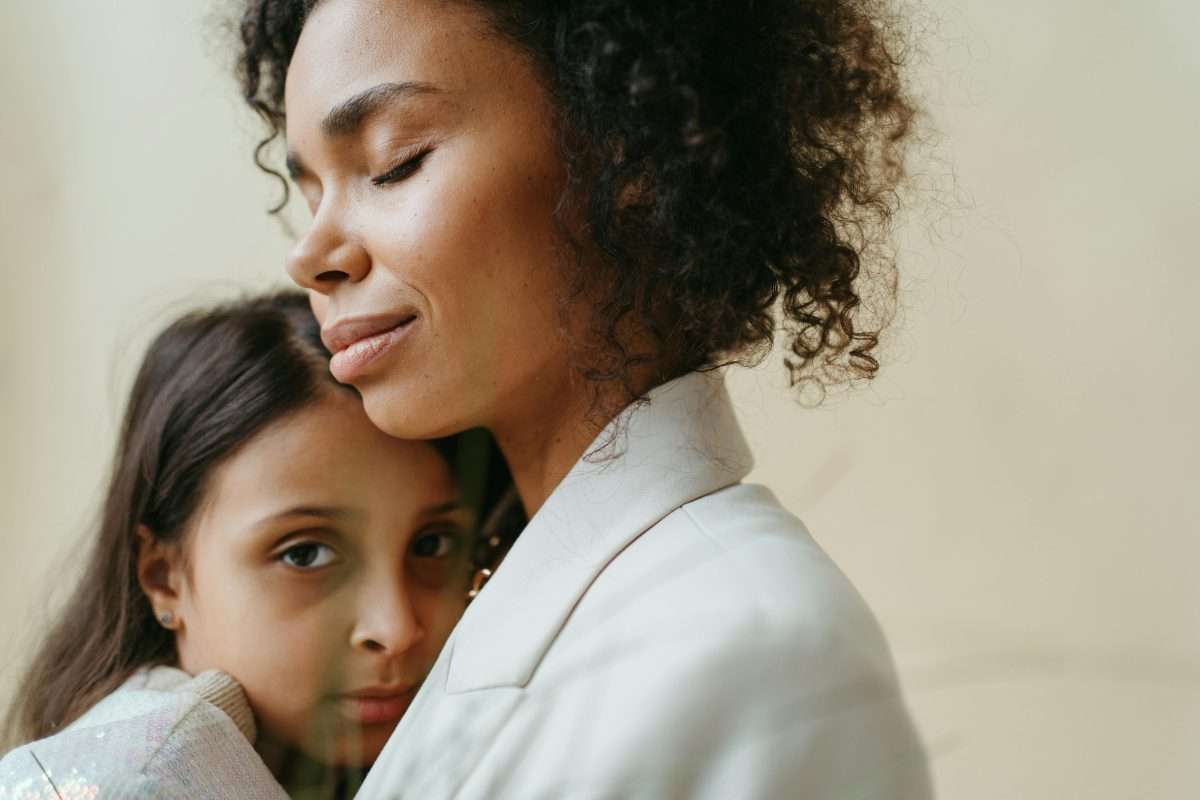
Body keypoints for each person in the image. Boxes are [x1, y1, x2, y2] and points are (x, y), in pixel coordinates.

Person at [237, 1, 932, 796]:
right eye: (311, 191)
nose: (311, 254)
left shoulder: (749, 646)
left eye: (393, 163)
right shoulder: (482, 616)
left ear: (627, 145)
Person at [1, 291, 510, 799]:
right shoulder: (136, 777)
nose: (396, 628)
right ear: (163, 576)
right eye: (305, 554)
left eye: (432, 544)